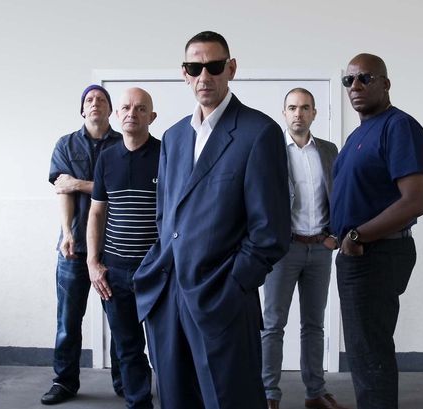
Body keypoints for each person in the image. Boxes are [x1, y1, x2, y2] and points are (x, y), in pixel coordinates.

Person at [133, 31, 291, 409]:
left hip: (221, 297)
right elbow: (165, 215)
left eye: (214, 66)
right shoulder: (173, 137)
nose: (204, 76)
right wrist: (156, 272)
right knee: (175, 399)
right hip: (167, 297)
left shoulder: (259, 132)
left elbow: (271, 231)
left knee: (230, 399)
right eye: (195, 67)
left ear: (231, 68)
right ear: (184, 73)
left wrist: (234, 284)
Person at [330, 54, 423, 409]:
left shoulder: (398, 127)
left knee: (370, 352)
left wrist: (357, 236)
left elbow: (414, 202)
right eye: (349, 80)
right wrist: (335, 234)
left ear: (385, 84)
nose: (355, 86)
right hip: (357, 253)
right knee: (363, 351)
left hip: (375, 253)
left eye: (365, 78)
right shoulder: (358, 134)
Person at [262, 88, 348, 409]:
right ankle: (268, 394)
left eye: (304, 108)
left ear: (314, 113)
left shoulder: (328, 150)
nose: (298, 113)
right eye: (292, 108)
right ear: (284, 113)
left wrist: (335, 236)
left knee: (314, 325)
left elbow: (340, 194)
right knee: (273, 325)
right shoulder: (271, 151)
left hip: (320, 249)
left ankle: (315, 392)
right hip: (284, 250)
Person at [44, 85, 123, 405]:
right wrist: (67, 233)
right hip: (73, 249)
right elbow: (62, 190)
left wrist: (78, 183)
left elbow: (118, 189)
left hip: (114, 248)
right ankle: (64, 382)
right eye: (89, 100)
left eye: (101, 100)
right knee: (68, 321)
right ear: (82, 109)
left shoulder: (124, 144)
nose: (95, 104)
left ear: (110, 110)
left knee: (121, 321)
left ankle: (126, 381)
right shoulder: (66, 145)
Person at [86, 87, 159, 409]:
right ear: (117, 115)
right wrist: (93, 262)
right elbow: (97, 212)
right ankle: (138, 403)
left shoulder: (166, 155)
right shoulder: (106, 158)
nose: (132, 113)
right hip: (115, 272)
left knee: (164, 346)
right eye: (127, 108)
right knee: (128, 347)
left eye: (141, 108)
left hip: (157, 271)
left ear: (151, 117)